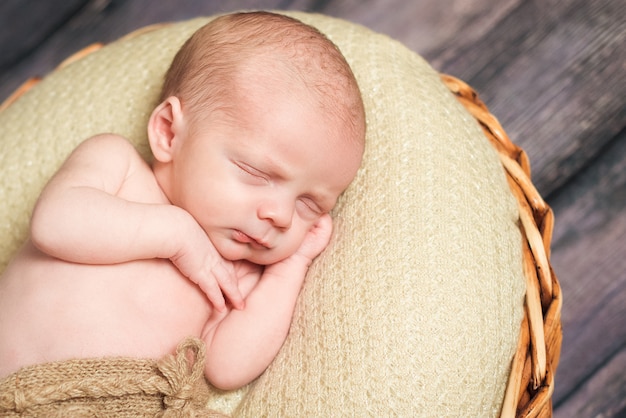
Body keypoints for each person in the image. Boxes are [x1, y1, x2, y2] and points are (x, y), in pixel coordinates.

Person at [0, 11, 365, 391]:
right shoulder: (117, 166)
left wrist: (290, 268)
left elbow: (226, 368)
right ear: (169, 132)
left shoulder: (235, 270)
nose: (281, 216)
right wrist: (175, 233)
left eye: (310, 205)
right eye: (256, 173)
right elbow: (55, 224)